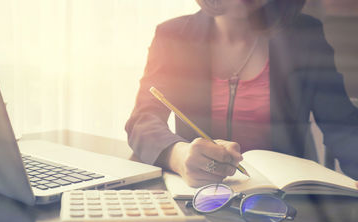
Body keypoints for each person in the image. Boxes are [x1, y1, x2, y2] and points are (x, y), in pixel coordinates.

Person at [125, 0, 358, 187]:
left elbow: (344, 128)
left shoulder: (305, 36)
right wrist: (178, 155)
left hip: (285, 201)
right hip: (200, 196)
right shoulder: (173, 36)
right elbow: (142, 121)